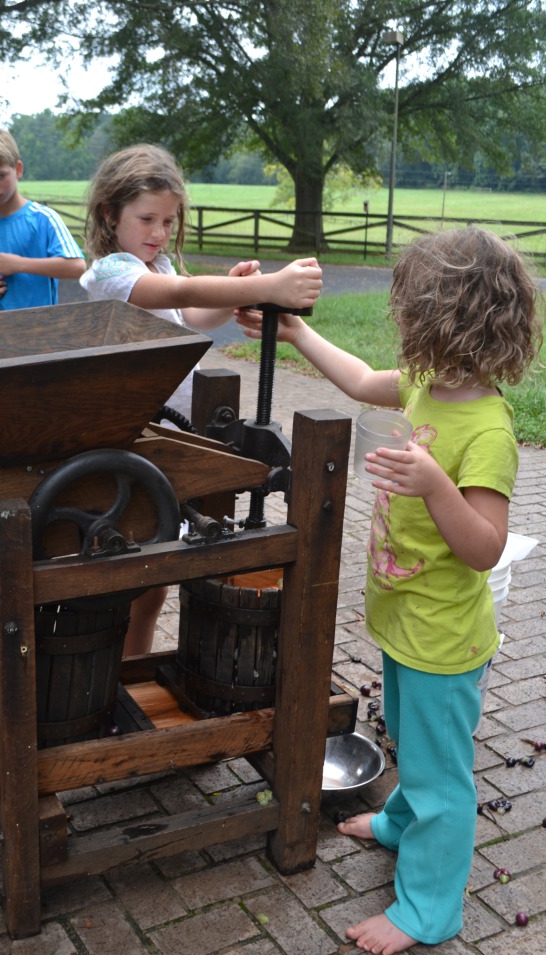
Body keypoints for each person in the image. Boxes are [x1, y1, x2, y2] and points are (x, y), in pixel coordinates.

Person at [237, 227, 541, 955]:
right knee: (407, 739)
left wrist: (435, 485)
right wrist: (299, 331)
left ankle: (429, 909)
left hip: (443, 636)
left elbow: (485, 548)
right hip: (405, 623)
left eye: (409, 308)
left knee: (442, 774)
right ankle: (404, 823)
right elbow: (357, 378)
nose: (399, 321)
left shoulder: (488, 428)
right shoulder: (423, 386)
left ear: (448, 317)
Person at [80, 142, 322, 654]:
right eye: (147, 218)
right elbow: (174, 296)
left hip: (175, 444)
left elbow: (190, 316)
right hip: (137, 447)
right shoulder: (109, 274)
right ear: (109, 213)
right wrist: (267, 285)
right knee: (134, 579)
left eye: (168, 221)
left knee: (154, 587)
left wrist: (232, 295)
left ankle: (135, 666)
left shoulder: (159, 265)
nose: (159, 233)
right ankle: (115, 672)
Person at [0, 129, 86, 311]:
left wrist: (20, 264)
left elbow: (77, 266)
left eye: (1, 175)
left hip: (40, 328)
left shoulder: (43, 218)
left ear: (18, 170)